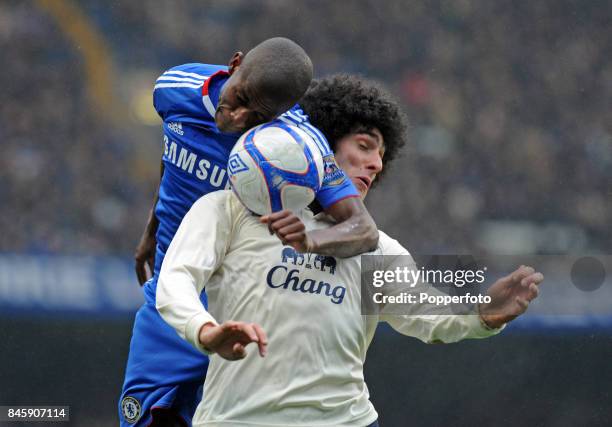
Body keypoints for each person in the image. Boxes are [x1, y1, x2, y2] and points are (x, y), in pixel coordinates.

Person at [156, 74, 544, 427]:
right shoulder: (228, 211)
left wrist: (483, 314)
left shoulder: (378, 246)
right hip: (234, 420)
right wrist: (205, 331)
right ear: (320, 143)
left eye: (381, 156)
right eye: (364, 146)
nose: (375, 163)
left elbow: (425, 313)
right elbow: (175, 281)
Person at [120, 38, 379, 427]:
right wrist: (153, 226)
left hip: (246, 311)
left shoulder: (299, 145)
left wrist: (311, 242)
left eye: (256, 115)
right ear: (235, 63)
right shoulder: (173, 88)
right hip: (176, 295)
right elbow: (172, 153)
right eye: (239, 96)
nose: (237, 117)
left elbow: (363, 229)